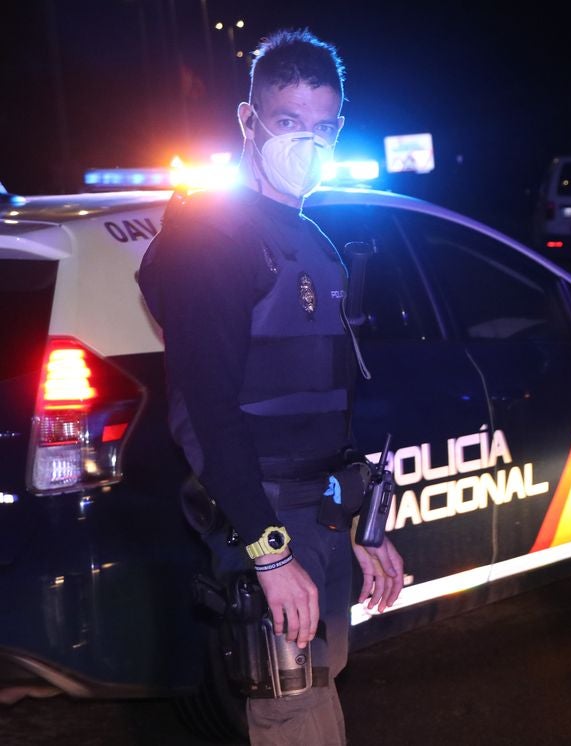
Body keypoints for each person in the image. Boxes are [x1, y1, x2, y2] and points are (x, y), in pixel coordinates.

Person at [137, 28, 403, 745]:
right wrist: (271, 552)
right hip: (263, 527)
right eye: (287, 122)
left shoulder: (308, 236)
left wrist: (361, 527)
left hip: (316, 521)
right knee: (291, 710)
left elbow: (325, 407)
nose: (305, 143)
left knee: (321, 687)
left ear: (339, 129)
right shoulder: (212, 236)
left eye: (321, 128)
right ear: (248, 121)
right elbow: (206, 412)